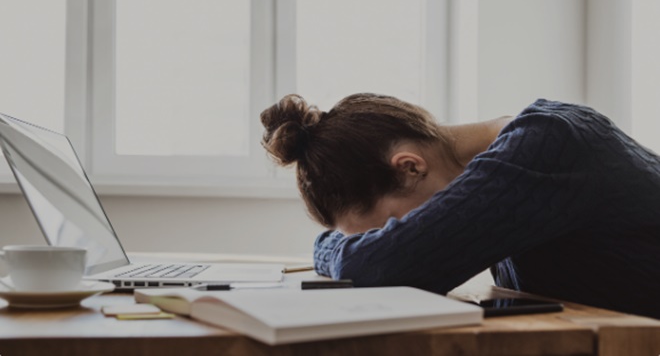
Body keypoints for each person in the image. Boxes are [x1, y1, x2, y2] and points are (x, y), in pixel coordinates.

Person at [260, 93, 660, 319]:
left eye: (390, 227)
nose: (395, 237)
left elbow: (379, 265)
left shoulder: (543, 147)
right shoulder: (519, 154)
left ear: (411, 166)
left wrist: (325, 246)